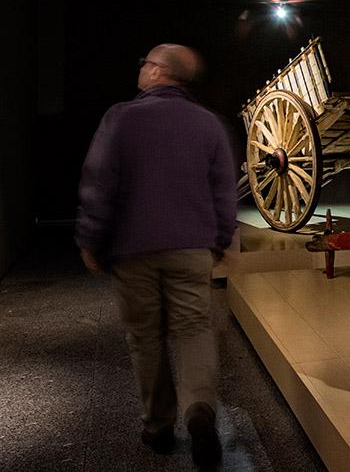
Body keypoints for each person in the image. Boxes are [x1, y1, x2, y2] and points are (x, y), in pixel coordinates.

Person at [74, 43, 237, 467]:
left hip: (134, 249)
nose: (142, 69)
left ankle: (159, 425)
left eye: (145, 63)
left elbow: (98, 184)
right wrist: (219, 238)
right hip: (192, 249)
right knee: (195, 330)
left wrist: (91, 240)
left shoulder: (122, 118)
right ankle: (200, 409)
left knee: (145, 338)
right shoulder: (208, 124)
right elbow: (223, 189)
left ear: (159, 72)